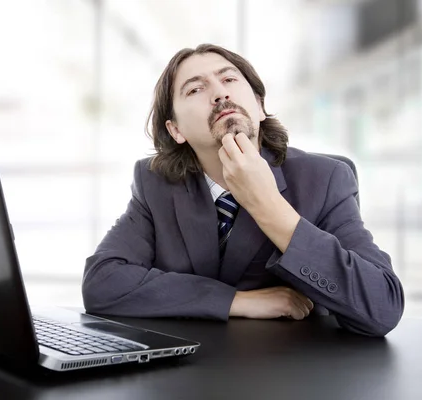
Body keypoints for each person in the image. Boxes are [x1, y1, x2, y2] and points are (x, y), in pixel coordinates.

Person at [82, 43, 404, 337]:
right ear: (176, 129)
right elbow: (102, 283)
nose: (220, 94)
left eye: (230, 80)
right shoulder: (155, 183)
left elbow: (381, 306)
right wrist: (238, 301)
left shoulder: (325, 179)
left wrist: (267, 205)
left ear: (260, 106)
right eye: (195, 88)